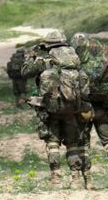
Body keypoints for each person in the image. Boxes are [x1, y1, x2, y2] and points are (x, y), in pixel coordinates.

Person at [31, 31, 93, 189]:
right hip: (72, 110)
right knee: (72, 144)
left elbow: (25, 71)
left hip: (52, 111)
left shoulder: (45, 62)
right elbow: (85, 92)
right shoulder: (75, 64)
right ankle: (75, 178)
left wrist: (32, 55)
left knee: (52, 143)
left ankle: (56, 178)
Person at [71, 32, 108, 184]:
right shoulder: (103, 59)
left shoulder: (76, 60)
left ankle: (88, 181)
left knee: (83, 144)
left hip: (84, 108)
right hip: (102, 107)